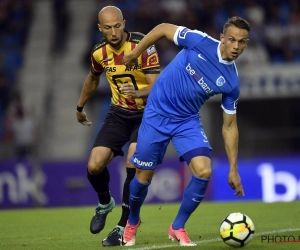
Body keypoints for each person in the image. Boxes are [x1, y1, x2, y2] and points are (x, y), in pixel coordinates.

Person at [121, 16, 251, 246]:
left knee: (203, 171)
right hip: (157, 114)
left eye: (242, 42)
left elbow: (229, 126)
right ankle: (132, 221)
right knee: (143, 178)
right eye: (232, 40)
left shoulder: (231, 82)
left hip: (187, 121)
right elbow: (162, 28)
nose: (236, 46)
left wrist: (233, 168)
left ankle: (177, 227)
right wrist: (133, 54)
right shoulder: (199, 41)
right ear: (222, 38)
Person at [76, 6, 160, 247]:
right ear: (99, 28)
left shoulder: (143, 44)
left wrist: (139, 92)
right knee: (94, 165)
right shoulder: (99, 53)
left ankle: (124, 226)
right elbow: (93, 78)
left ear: (124, 23)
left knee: (132, 160)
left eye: (117, 26)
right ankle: (105, 203)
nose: (114, 32)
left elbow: (159, 85)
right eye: (108, 28)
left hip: (148, 114)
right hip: (119, 114)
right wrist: (80, 108)